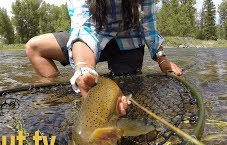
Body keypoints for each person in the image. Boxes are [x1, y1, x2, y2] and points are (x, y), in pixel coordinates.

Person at [25, 0, 182, 115]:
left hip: (128, 41)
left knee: (126, 95)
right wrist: (83, 68)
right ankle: (56, 95)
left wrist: (162, 59)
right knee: (34, 48)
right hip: (92, 36)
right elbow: (83, 29)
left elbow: (149, 27)